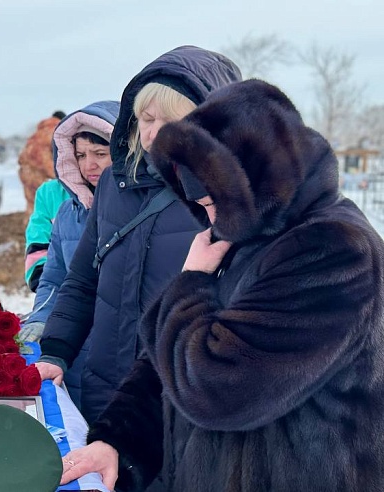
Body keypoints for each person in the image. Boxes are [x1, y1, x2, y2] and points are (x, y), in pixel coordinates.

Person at [61, 79, 384, 492]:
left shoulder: (332, 249)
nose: (203, 210)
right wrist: (118, 440)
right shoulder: (248, 232)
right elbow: (167, 359)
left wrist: (190, 284)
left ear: (254, 179)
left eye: (212, 199)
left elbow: (217, 388)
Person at [36, 46, 241, 427]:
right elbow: (82, 280)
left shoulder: (228, 199)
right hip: (105, 389)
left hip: (181, 399)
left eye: (171, 119)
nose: (152, 133)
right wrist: (55, 351)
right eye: (145, 118)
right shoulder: (116, 185)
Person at [19, 101, 119, 411]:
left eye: (100, 154)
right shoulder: (67, 212)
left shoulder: (147, 212)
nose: (89, 164)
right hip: (74, 351)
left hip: (125, 358)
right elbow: (55, 279)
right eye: (80, 155)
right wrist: (41, 319)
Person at [19, 110, 65, 215]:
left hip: (25, 171)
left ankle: (30, 229)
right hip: (41, 171)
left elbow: (25, 154)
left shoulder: (37, 133)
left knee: (32, 203)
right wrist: (59, 174)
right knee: (46, 204)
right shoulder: (56, 130)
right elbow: (42, 157)